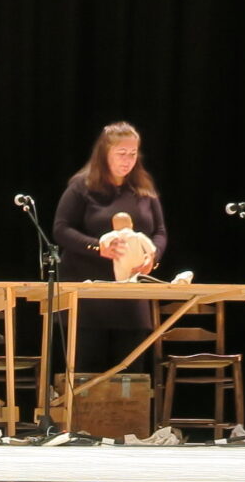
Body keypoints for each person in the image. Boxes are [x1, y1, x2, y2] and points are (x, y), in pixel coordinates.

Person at [51, 121, 168, 375]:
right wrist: (97, 247)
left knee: (131, 373)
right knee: (87, 372)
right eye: (121, 154)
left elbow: (159, 232)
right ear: (105, 154)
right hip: (89, 299)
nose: (128, 160)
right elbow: (61, 229)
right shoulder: (82, 187)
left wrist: (153, 257)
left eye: (133, 154)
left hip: (130, 299)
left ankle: (127, 416)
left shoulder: (143, 190)